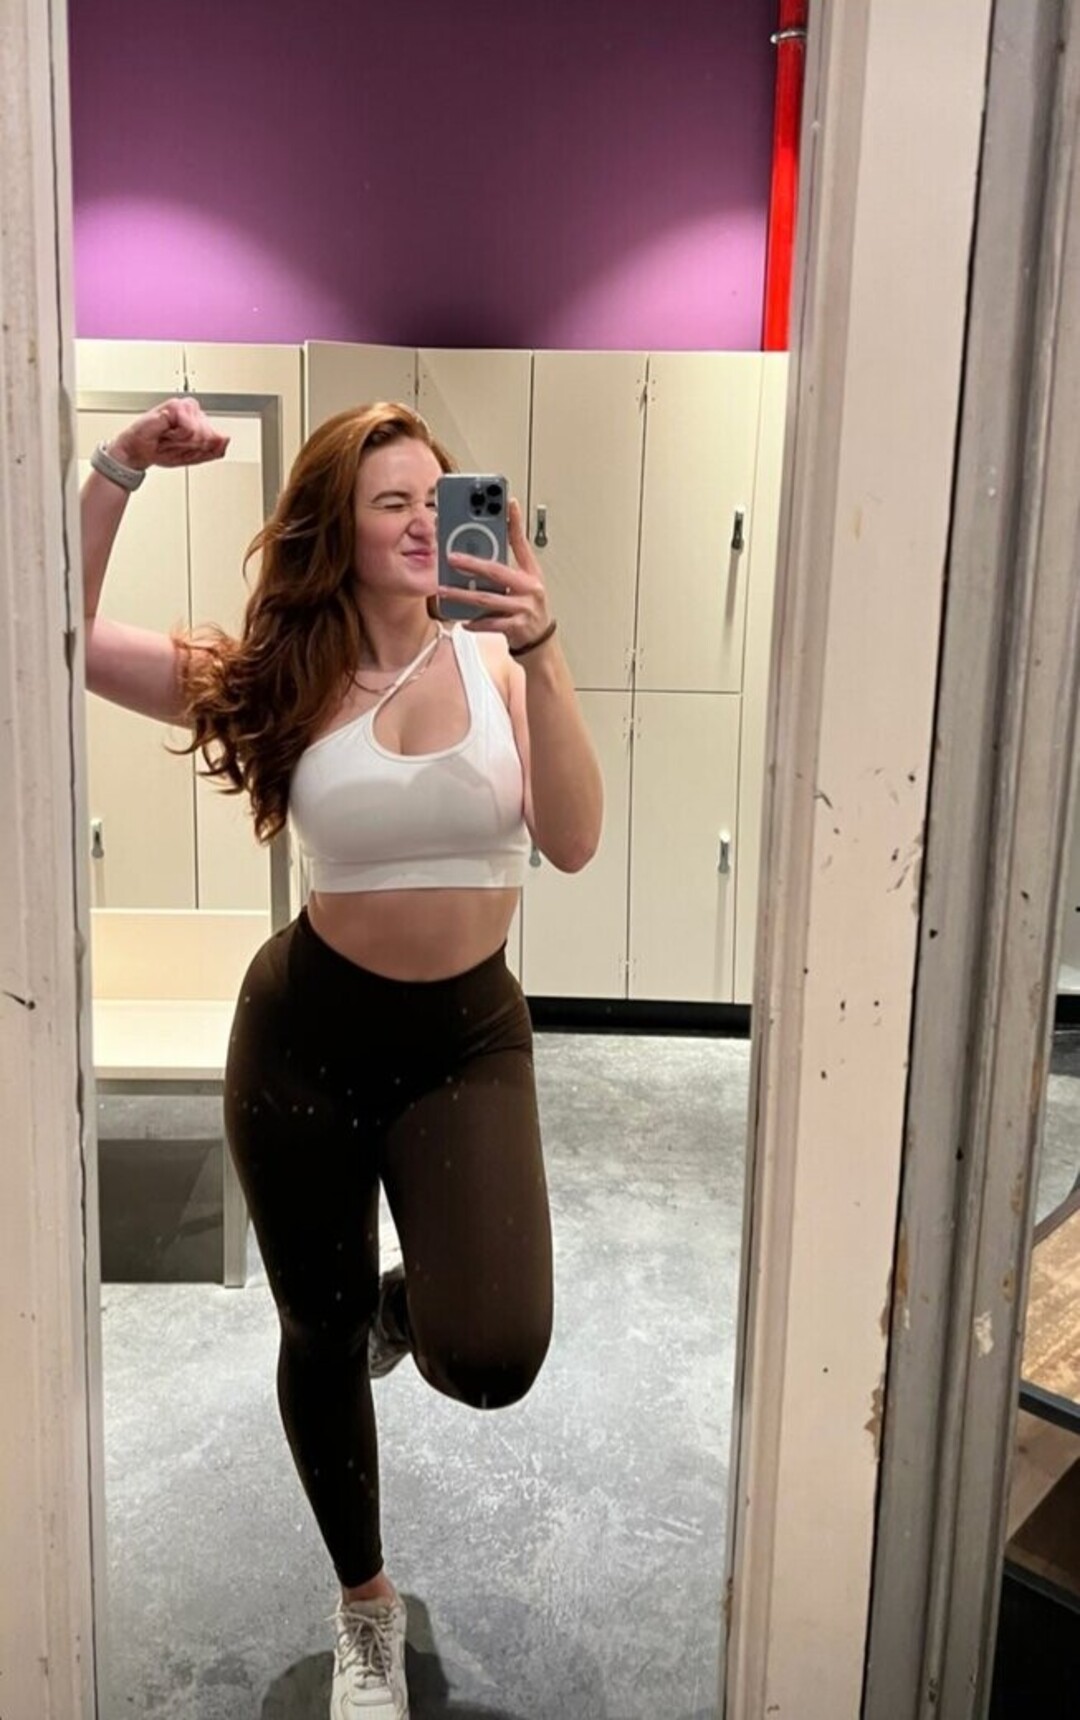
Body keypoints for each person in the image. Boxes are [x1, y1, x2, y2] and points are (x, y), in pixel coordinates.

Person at [82, 394, 603, 1720]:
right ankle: (365, 1603)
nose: (426, 522)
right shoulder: (284, 677)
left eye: (440, 498)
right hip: (303, 1041)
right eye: (392, 502)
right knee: (312, 1334)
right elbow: (59, 640)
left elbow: (575, 840)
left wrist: (543, 651)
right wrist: (115, 469)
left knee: (491, 1349)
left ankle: (398, 1311)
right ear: (341, 527)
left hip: (467, 1045)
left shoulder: (496, 665)